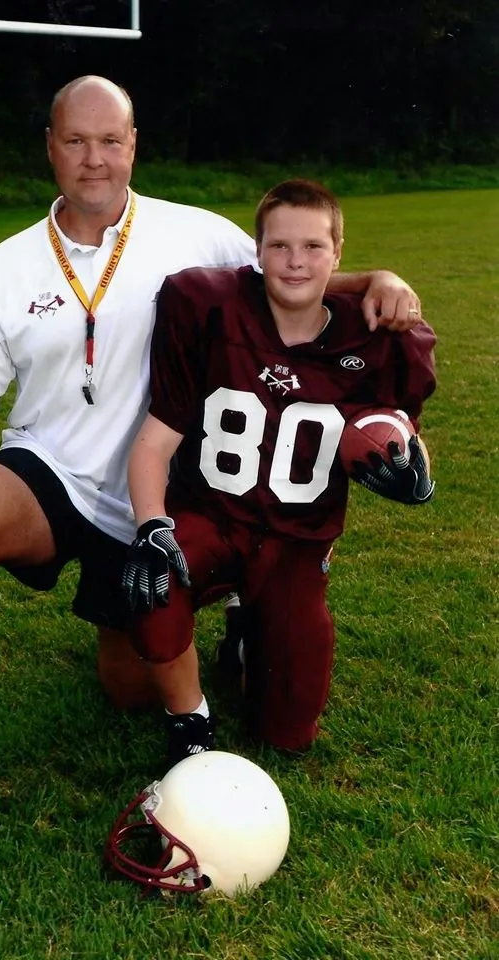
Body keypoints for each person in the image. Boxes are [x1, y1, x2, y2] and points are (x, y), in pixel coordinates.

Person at [0, 76, 426, 807]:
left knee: (130, 690)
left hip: (162, 490)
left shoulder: (191, 232)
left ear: (134, 147)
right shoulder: (10, 263)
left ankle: (237, 608)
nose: (94, 159)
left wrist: (383, 279)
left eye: (110, 141)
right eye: (76, 141)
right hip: (51, 470)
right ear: (50, 148)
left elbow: (290, 272)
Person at [121, 179, 436, 767]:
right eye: (280, 246)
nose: (296, 261)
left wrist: (413, 471)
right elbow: (154, 441)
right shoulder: (206, 306)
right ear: (257, 252)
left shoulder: (375, 337)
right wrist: (150, 527)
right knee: (152, 590)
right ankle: (190, 721)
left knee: (289, 731)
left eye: (314, 247)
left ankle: (247, 630)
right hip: (210, 518)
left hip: (295, 541)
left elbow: (404, 435)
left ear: (339, 253)